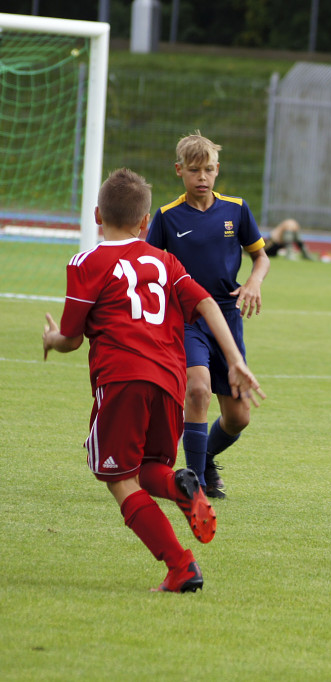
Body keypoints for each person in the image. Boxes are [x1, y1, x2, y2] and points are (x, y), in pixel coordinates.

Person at [42, 168, 265, 592]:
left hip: (123, 377)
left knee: (116, 477)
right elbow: (206, 305)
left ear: (96, 215)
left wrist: (52, 338)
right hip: (168, 380)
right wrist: (235, 359)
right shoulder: (165, 261)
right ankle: (183, 486)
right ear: (146, 223)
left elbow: (71, 339)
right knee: (148, 470)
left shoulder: (86, 262)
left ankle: (181, 566)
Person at [146, 131, 270, 500]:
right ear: (179, 171)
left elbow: (260, 256)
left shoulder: (236, 209)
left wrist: (253, 282)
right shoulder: (167, 217)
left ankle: (205, 458)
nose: (202, 177)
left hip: (227, 319)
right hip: (186, 319)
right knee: (197, 390)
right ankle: (194, 485)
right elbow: (150, 265)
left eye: (209, 170)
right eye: (195, 170)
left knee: (238, 418)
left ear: (218, 170)